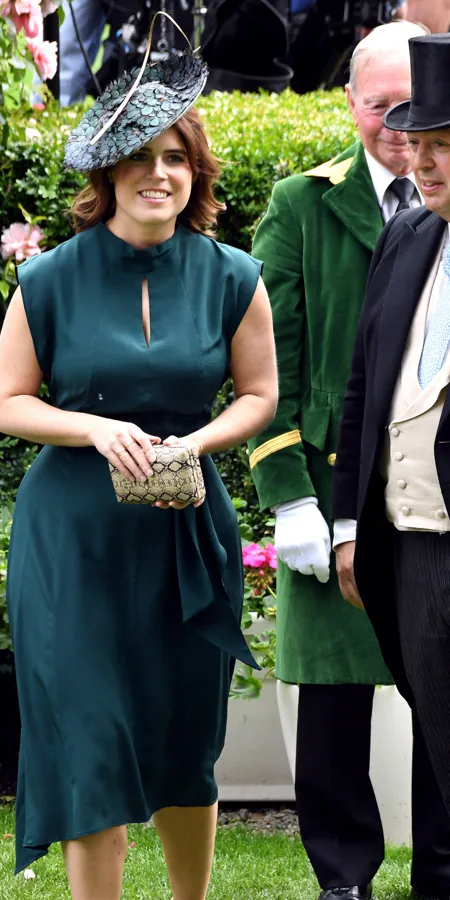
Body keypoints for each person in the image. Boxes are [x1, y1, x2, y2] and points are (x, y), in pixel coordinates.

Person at [0, 22, 278, 900]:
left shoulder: (234, 275)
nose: (160, 174)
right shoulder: (50, 280)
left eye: (177, 159)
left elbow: (260, 397)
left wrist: (197, 440)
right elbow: (7, 403)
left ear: (196, 174)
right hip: (74, 543)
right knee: (92, 739)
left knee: (188, 737)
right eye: (141, 158)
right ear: (107, 172)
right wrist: (89, 428)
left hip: (186, 532)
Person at [247, 21, 450, 900]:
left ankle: (439, 866)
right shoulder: (304, 201)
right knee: (331, 706)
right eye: (384, 109)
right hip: (336, 486)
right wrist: (297, 498)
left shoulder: (428, 209)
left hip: (421, 505)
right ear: (350, 103)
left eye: (424, 121)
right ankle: (343, 876)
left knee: (439, 704)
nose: (403, 133)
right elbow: (267, 363)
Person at [332, 28, 450, 855]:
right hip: (410, 550)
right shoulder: (407, 237)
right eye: (423, 144)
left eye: (446, 146)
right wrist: (347, 524)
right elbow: (361, 394)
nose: (426, 163)